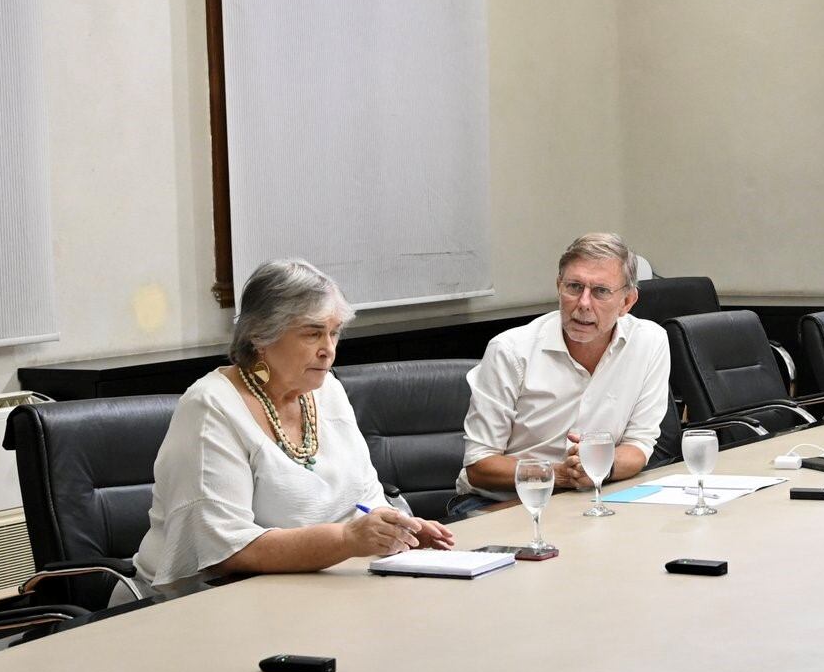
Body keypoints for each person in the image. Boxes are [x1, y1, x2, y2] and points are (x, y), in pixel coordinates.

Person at [132, 259, 454, 590]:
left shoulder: (327, 390)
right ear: (260, 335)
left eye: (334, 333)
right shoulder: (210, 408)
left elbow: (366, 497)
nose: (328, 350)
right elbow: (226, 550)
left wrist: (398, 530)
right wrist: (347, 539)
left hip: (314, 587)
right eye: (313, 333)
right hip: (200, 601)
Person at [452, 233, 671, 517]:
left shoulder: (650, 342)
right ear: (558, 287)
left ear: (627, 301)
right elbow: (480, 465)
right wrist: (560, 474)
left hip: (592, 496)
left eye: (601, 291)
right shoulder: (511, 351)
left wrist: (600, 467)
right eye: (574, 287)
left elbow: (639, 445)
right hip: (500, 503)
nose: (583, 303)